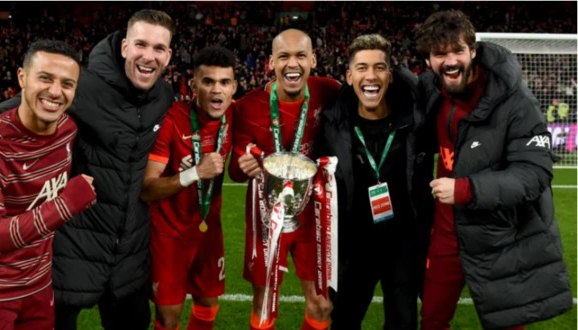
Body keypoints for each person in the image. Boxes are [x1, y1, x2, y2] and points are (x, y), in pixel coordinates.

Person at [0, 9, 176, 330]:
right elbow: (21, 105)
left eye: (158, 49)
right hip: (72, 250)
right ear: (125, 47)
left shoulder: (164, 96)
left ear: (168, 56)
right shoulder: (82, 85)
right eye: (141, 45)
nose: (148, 56)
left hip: (129, 255)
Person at [415, 10, 573, 330]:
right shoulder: (431, 90)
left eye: (458, 51)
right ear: (428, 60)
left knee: (507, 323)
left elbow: (535, 173)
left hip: (500, 235)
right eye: (439, 54)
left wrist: (466, 188)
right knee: (431, 320)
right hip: (446, 235)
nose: (450, 61)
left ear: (474, 51)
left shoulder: (514, 101)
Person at [0, 40, 97, 330]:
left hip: (38, 284)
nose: (55, 91)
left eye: (67, 83)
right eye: (45, 78)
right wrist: (65, 204)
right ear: (22, 78)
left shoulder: (68, 130)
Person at [318, 34, 433, 329]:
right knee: (343, 321)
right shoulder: (332, 124)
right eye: (362, 68)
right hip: (355, 246)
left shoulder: (416, 120)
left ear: (390, 75)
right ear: (349, 76)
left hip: (403, 245)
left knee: (403, 323)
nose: (371, 76)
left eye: (379, 67)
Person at [228, 29, 341, 330]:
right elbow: (236, 174)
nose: (292, 64)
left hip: (314, 216)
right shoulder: (249, 105)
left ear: (313, 59)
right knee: (264, 304)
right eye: (284, 57)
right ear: (270, 63)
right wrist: (244, 165)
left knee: (322, 304)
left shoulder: (330, 92)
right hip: (268, 219)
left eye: (301, 55)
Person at [141, 46, 236, 330]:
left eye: (224, 82)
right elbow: (147, 189)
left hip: (209, 231)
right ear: (194, 85)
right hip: (170, 235)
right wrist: (195, 173)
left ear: (234, 87)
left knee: (208, 305)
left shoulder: (235, 115)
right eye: (208, 82)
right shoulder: (172, 120)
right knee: (168, 318)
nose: (216, 91)